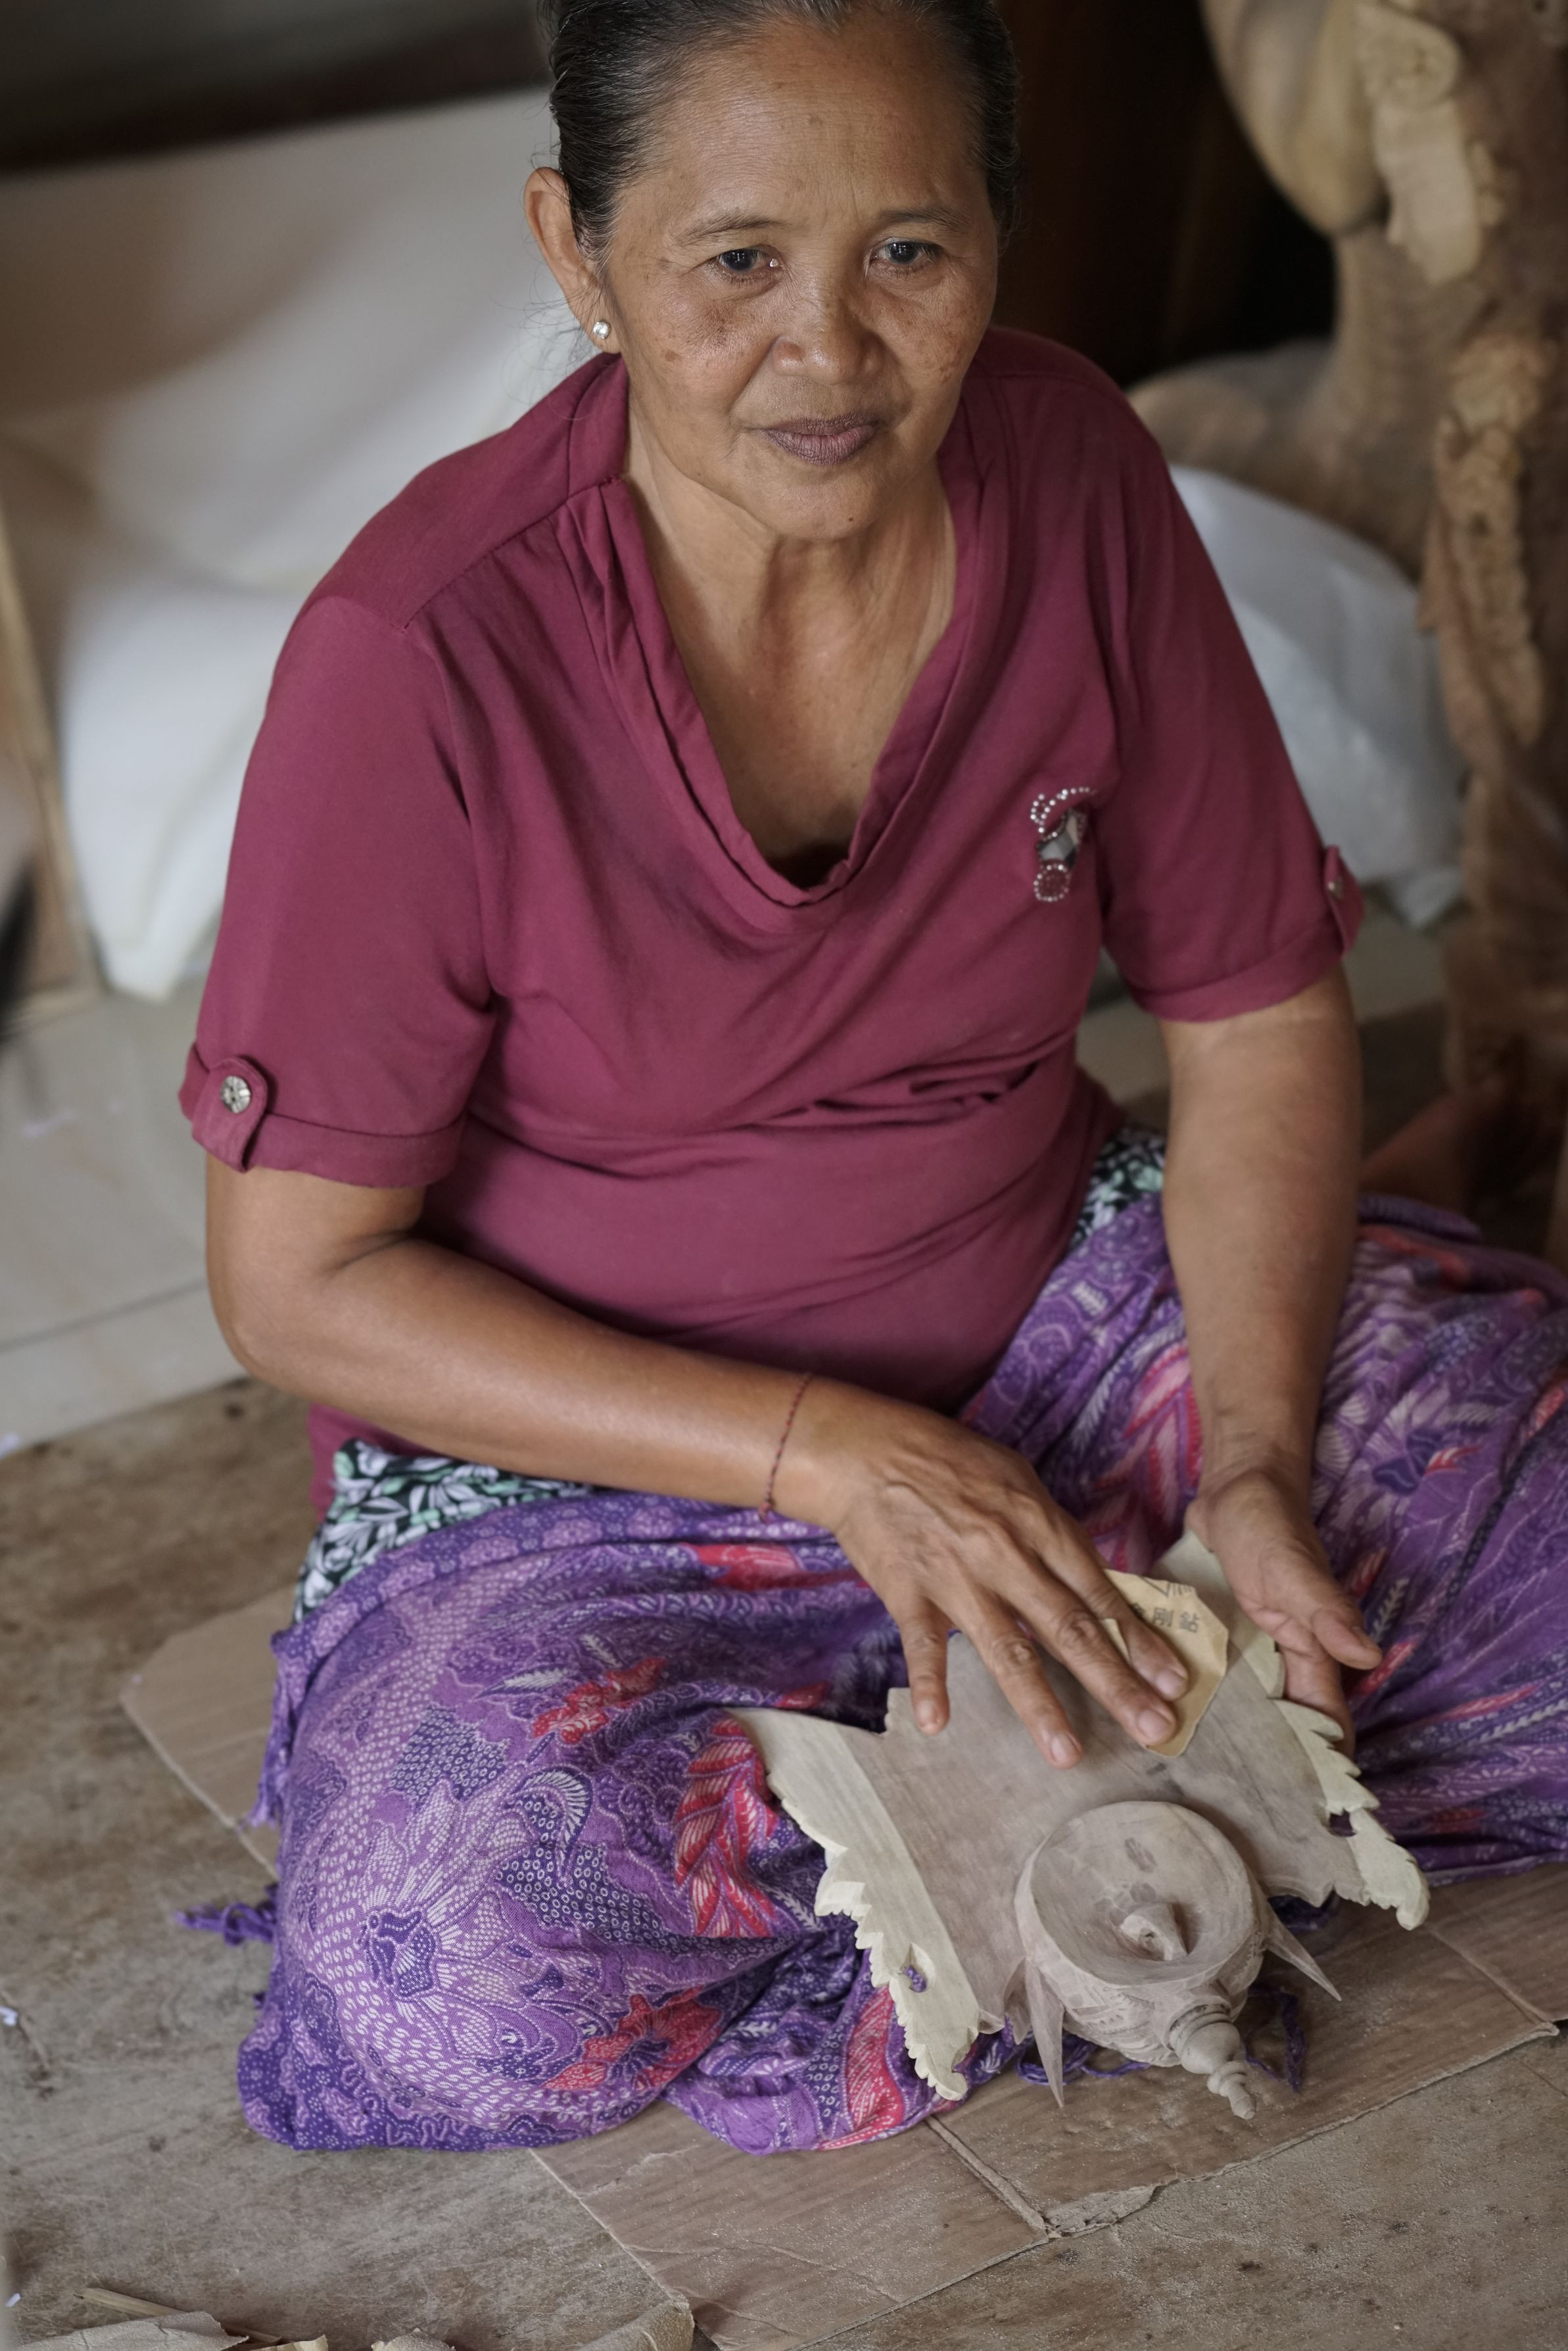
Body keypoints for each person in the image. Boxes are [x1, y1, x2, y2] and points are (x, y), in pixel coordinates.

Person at [182, 0, 1568, 2157]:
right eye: (734, 261)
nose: (824, 350)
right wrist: (833, 1458)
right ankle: (1125, 1798)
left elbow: (1248, 1009)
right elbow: (298, 1289)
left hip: (1056, 1323)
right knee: (438, 1978)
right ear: (576, 251)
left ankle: (984, 1804)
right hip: (604, 1472)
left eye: (906, 252)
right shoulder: (421, 656)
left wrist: (1252, 1469)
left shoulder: (1070, 467)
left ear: (995, 242)